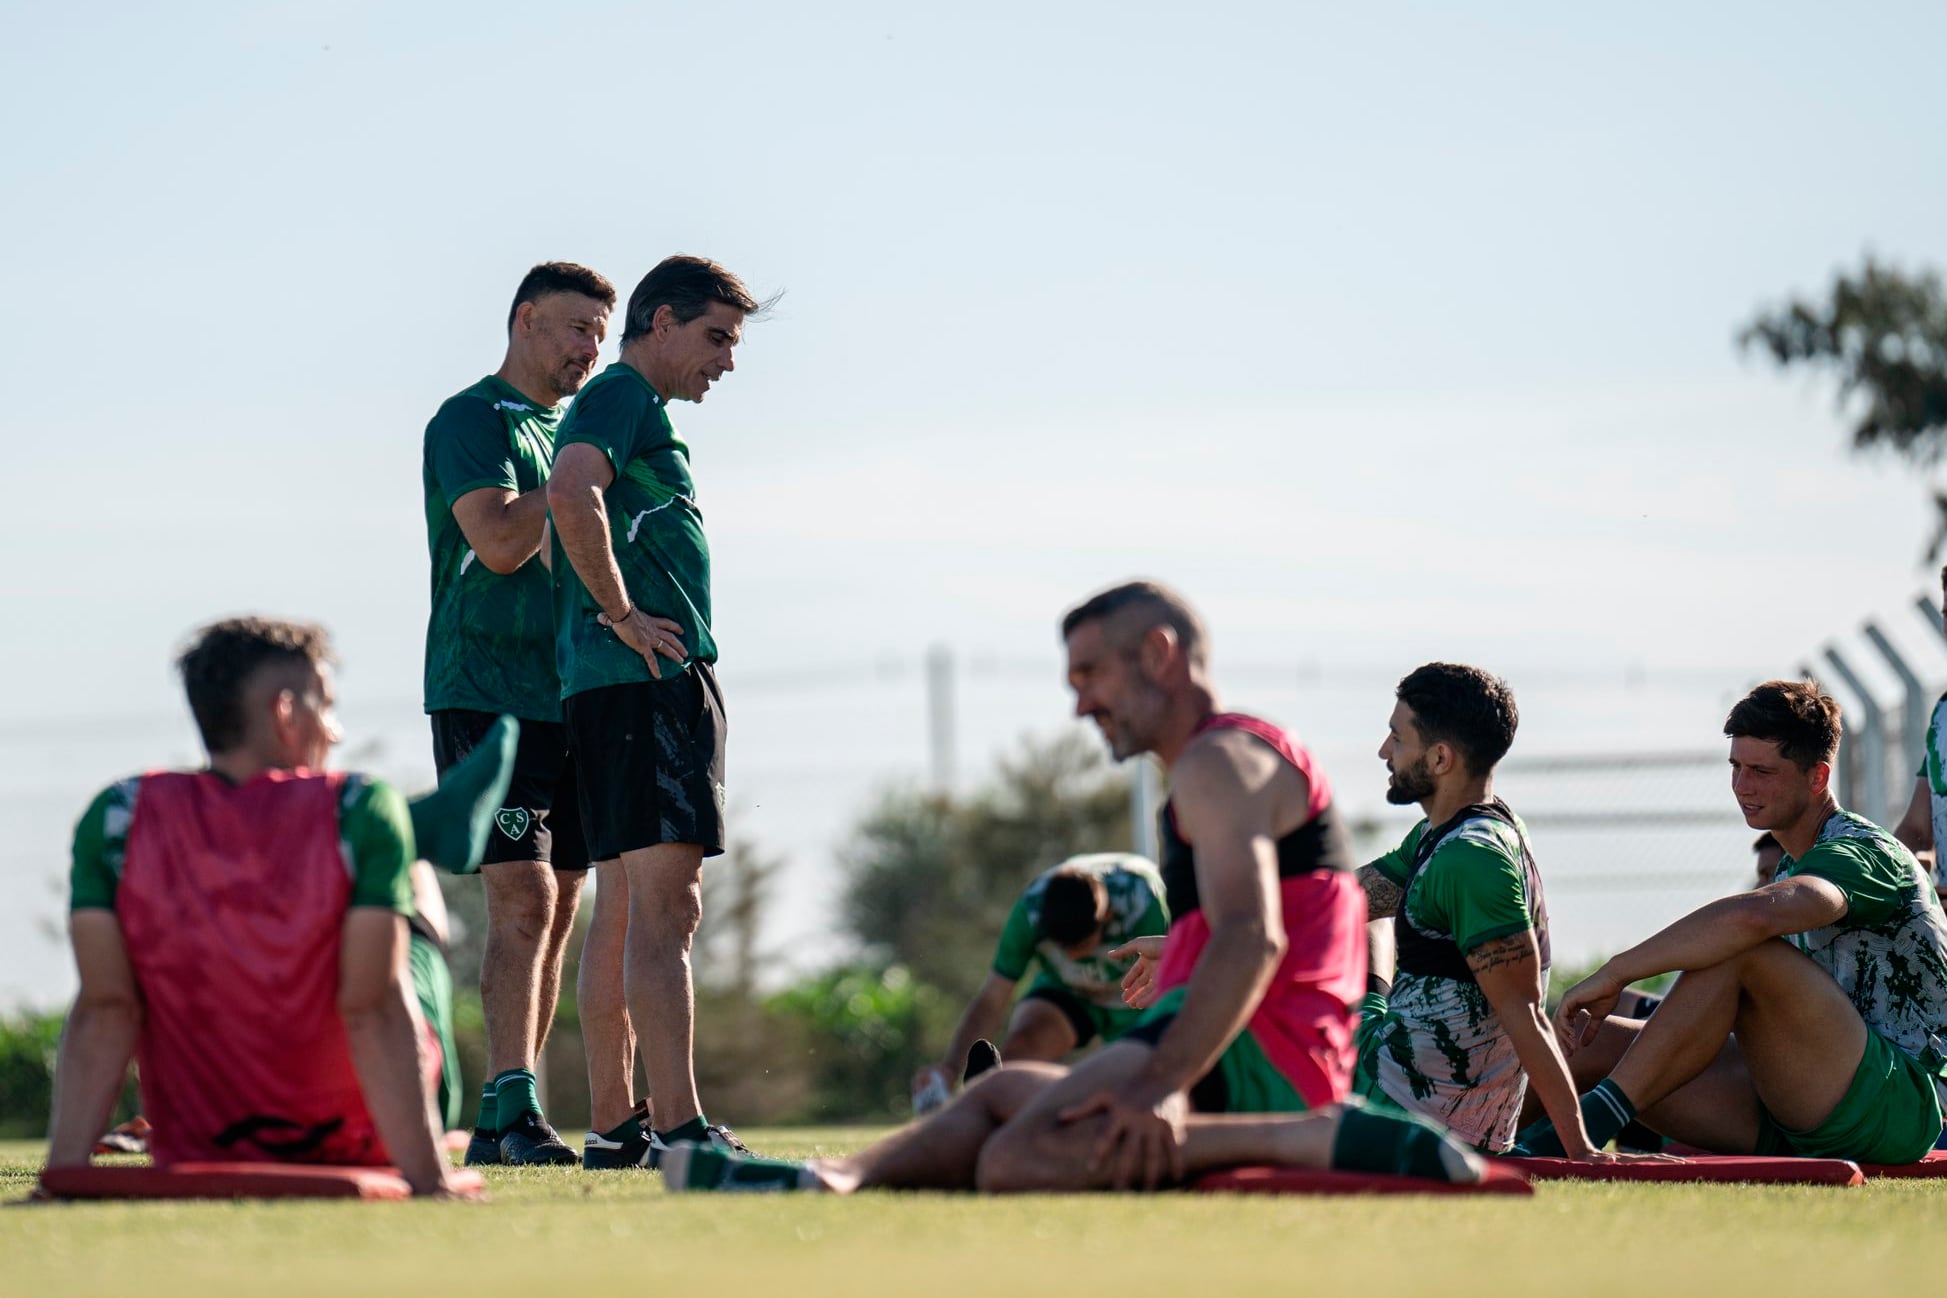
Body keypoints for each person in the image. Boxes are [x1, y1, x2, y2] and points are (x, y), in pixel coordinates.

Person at [662, 581, 1486, 1193]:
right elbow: (1285, 912)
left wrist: (1158, 1087)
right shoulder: (1216, 764)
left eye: (1090, 673)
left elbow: (1253, 935)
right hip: (1232, 1028)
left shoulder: (1214, 763)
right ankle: (820, 1183)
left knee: (1015, 1156)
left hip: (1265, 1054)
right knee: (1007, 1093)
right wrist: (1175, 953)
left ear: (1157, 655)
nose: (1079, 702)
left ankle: (1318, 1137)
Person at [45, 618, 512, 1197]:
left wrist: (61, 1174)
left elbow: (105, 1006)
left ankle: (415, 837)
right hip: (364, 1136)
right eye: (328, 707)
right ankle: (422, 839)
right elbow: (376, 1007)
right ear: (286, 713)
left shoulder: (117, 817)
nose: (335, 733)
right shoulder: (358, 804)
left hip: (201, 1144)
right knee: (415, 914)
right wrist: (427, 1179)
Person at [1517, 679, 1947, 1165]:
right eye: (1736, 767)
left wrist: (1617, 971)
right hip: (1803, 1095)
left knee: (1744, 942)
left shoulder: (1863, 852)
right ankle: (1486, 1152)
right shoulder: (1788, 861)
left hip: (1897, 1106)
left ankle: (1576, 1140)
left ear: (1818, 777)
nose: (1742, 786)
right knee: (1581, 1046)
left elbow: (1754, 918)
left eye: (1762, 771)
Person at [546, 255, 771, 1166]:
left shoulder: (630, 407)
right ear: (663, 320)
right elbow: (570, 489)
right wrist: (621, 613)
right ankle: (679, 1129)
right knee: (668, 909)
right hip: (643, 682)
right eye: (715, 338)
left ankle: (614, 1127)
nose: (724, 361)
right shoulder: (624, 396)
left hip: (610, 690)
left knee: (628, 910)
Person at [423, 260, 617, 1165]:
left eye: (600, 336)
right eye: (576, 328)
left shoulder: (579, 430)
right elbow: (500, 543)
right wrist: (574, 489)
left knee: (564, 897)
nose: (589, 349)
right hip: (486, 693)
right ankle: (508, 1104)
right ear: (526, 319)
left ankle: (514, 1111)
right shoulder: (473, 418)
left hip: (572, 691)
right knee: (523, 890)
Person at [1351, 663, 1616, 1159]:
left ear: (1441, 757)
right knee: (1356, 924)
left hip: (1401, 1108)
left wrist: (1580, 1149)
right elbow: (1340, 904)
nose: (1385, 751)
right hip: (1391, 1060)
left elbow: (1525, 1013)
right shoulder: (1455, 831)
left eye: (1396, 737)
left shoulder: (1470, 860)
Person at [913, 853, 1168, 1113]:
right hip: (1070, 991)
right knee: (1020, 1052)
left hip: (1143, 995)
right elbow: (992, 997)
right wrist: (950, 1068)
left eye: (1079, 947)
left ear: (1107, 916)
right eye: (1060, 947)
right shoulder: (1029, 911)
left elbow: (1183, 983)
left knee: (1131, 1086)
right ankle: (992, 1107)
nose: (1070, 956)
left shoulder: (1145, 905)